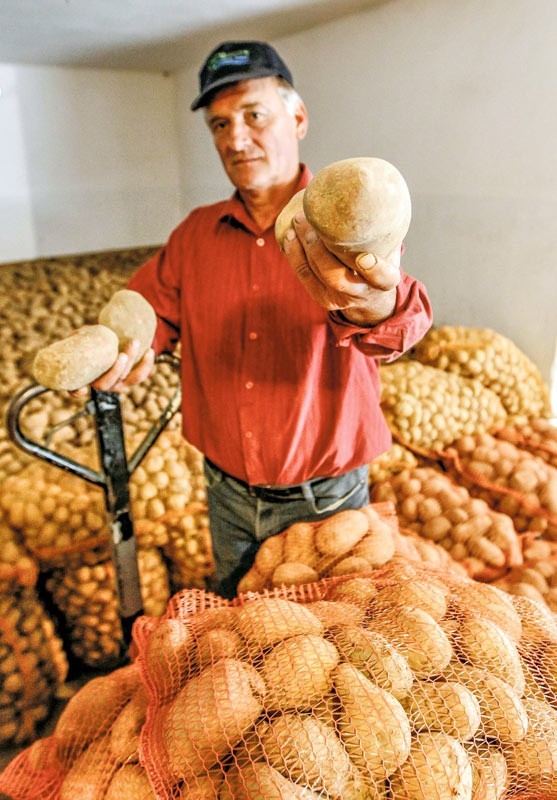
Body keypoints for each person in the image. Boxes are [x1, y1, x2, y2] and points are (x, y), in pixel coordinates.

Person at [89, 40, 433, 598]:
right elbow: (152, 311)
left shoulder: (342, 223)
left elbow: (402, 318)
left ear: (296, 118)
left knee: (333, 644)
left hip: (328, 501)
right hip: (225, 494)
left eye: (254, 115)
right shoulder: (195, 235)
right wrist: (133, 348)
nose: (236, 138)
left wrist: (377, 308)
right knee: (246, 642)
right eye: (220, 125)